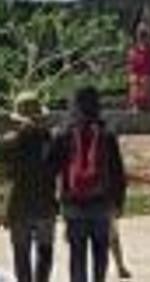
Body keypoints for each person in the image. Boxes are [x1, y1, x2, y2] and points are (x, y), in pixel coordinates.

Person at [49, 86, 126, 282]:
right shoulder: (107, 133)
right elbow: (118, 173)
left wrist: (55, 201)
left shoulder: (63, 133)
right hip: (101, 203)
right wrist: (118, 203)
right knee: (101, 252)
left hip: (73, 204)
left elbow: (51, 169)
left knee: (77, 254)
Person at [0, 92, 57, 282]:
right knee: (45, 251)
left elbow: (6, 179)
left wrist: (3, 208)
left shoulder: (8, 142)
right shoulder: (49, 139)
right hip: (45, 204)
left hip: (18, 206)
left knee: (21, 253)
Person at [127, 22, 150, 111]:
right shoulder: (133, 51)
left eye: (144, 35)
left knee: (148, 80)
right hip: (138, 78)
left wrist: (149, 76)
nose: (143, 38)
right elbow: (131, 67)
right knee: (134, 81)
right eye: (141, 35)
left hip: (148, 77)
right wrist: (134, 76)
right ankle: (135, 104)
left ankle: (149, 103)